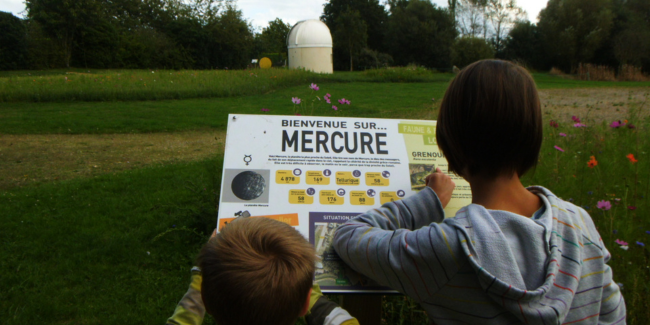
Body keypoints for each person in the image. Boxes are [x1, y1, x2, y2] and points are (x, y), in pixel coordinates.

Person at [332, 60, 626, 324]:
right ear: (532, 135)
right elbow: (613, 317)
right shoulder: (580, 224)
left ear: (450, 141)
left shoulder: (447, 249)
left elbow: (349, 237)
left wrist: (429, 200)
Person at [166, 217, 359, 325]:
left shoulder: (204, 295)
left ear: (206, 300)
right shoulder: (309, 302)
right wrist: (304, 286)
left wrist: (200, 278)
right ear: (305, 304)